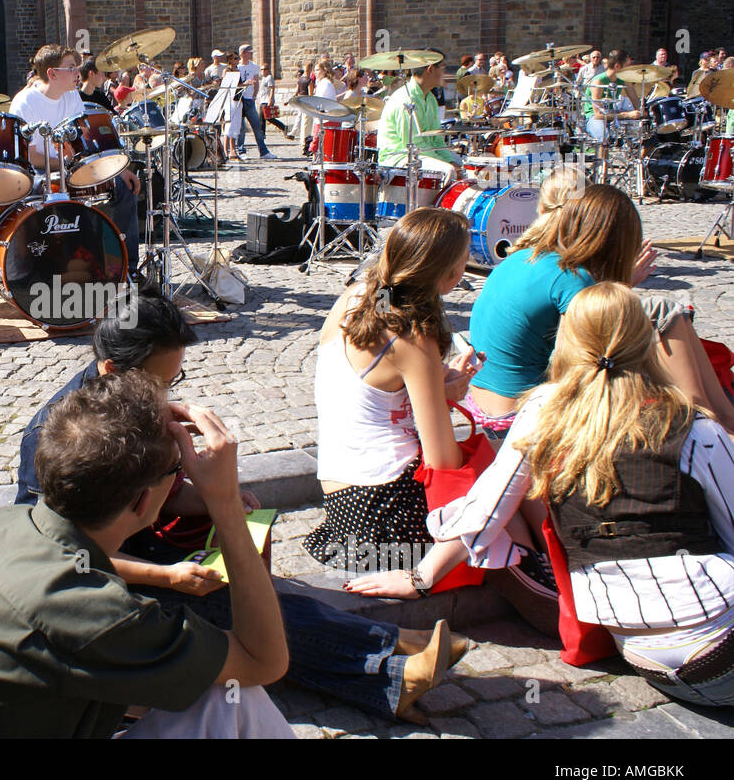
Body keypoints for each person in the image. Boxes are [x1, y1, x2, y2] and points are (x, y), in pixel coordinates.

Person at [14, 291, 467, 722]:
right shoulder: (59, 437)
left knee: (248, 588)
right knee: (219, 608)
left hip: (136, 549)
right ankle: (392, 669)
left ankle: (396, 646)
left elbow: (161, 500)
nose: (168, 394)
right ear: (113, 369)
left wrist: (218, 501)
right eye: (160, 382)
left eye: (175, 381)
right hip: (81, 584)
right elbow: (64, 555)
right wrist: (168, 574)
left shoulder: (129, 402)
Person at [355, 283, 734, 709]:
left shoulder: (541, 410)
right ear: (645, 341)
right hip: (716, 638)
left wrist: (420, 578)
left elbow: (488, 505)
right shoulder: (693, 430)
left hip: (638, 648)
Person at [0, 369, 296, 738]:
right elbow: (264, 661)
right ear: (144, 499)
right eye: (178, 471)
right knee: (233, 697)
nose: (182, 480)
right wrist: (225, 502)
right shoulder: (95, 615)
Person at [466, 181, 734, 435]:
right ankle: (707, 418)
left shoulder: (526, 256)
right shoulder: (571, 277)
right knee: (664, 315)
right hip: (518, 414)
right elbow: (587, 363)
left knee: (661, 311)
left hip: (483, 402)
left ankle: (716, 417)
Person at [303, 207, 479, 572]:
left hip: (342, 503)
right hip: (386, 507)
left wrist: (434, 381)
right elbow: (442, 461)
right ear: (447, 274)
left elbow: (376, 385)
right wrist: (445, 395)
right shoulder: (413, 337)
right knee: (501, 494)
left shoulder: (360, 296)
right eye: (463, 264)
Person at [10, 44, 142, 277]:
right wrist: (63, 164)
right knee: (37, 194)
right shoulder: (25, 102)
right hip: (41, 172)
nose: (77, 73)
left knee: (123, 188)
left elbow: (87, 141)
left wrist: (119, 171)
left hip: (72, 168)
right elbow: (29, 156)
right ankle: (35, 268)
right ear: (52, 73)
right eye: (71, 68)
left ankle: (126, 267)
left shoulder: (72, 97)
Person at [376, 51, 462, 180]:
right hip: (398, 157)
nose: (444, 73)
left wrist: (452, 161)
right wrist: (447, 163)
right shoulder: (405, 99)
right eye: (442, 68)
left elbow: (436, 139)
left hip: (420, 154)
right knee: (448, 170)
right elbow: (413, 144)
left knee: (461, 163)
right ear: (431, 69)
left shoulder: (431, 98)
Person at [583, 49, 641, 142]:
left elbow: (635, 99)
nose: (629, 69)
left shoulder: (623, 79)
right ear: (617, 66)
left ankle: (637, 156)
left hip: (612, 113)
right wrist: (627, 115)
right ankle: (602, 156)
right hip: (594, 117)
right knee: (603, 136)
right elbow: (598, 115)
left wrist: (642, 113)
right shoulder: (598, 81)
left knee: (646, 134)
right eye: (627, 66)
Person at [234, 44, 277, 160]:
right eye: (249, 52)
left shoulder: (254, 66)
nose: (251, 54)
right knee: (241, 127)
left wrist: (254, 95)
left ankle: (263, 152)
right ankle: (241, 151)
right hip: (239, 99)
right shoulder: (237, 67)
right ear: (242, 53)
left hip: (249, 99)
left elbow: (256, 82)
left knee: (257, 126)